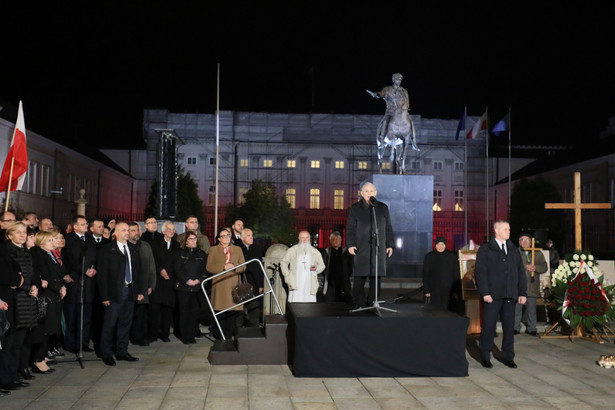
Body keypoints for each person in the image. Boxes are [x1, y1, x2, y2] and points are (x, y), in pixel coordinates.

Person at [475, 220, 527, 369]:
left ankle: (508, 357)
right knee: (489, 327)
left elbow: (520, 272)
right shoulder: (486, 250)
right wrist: (485, 292)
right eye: (505, 229)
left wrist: (522, 292)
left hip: (510, 295)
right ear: (496, 231)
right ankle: (485, 356)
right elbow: (481, 273)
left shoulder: (513, 250)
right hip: (492, 296)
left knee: (509, 328)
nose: (508, 231)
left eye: (509, 229)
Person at [96, 222, 145, 366]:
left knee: (125, 323)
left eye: (128, 230)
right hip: (114, 293)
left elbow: (139, 271)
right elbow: (102, 275)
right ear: (115, 233)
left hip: (130, 291)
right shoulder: (107, 250)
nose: (127, 232)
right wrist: (104, 296)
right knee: (109, 324)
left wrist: (140, 291)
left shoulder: (133, 248)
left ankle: (122, 351)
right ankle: (106, 353)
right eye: (123, 230)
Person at [346, 182, 394, 308]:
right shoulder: (355, 208)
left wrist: (389, 244)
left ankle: (373, 301)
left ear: (375, 193)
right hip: (361, 247)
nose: (369, 193)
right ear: (361, 194)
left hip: (378, 248)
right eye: (366, 191)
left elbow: (388, 227)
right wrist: (350, 244)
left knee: (376, 276)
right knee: (360, 276)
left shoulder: (382, 208)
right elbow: (350, 228)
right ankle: (359, 302)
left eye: (371, 191)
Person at [30, 230, 66, 374]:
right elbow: (46, 275)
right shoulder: (40, 254)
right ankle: (38, 359)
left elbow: (57, 273)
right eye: (50, 240)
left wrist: (62, 286)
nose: (54, 242)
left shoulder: (50, 254)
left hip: (54, 293)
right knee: (44, 328)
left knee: (50, 327)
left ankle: (43, 356)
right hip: (47, 294)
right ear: (42, 241)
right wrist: (58, 288)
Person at [62, 215, 97, 354]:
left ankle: (84, 343)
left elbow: (95, 256)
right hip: (75, 282)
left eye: (86, 223)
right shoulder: (69, 239)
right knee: (72, 316)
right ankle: (70, 343)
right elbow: (69, 260)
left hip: (89, 283)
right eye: (83, 224)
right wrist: (83, 271)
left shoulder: (90, 239)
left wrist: (95, 269)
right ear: (75, 226)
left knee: (86, 316)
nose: (86, 226)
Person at [206, 228, 246, 339]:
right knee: (220, 311)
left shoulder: (237, 249)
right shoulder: (213, 250)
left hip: (233, 284)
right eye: (223, 236)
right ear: (219, 239)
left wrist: (234, 267)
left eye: (228, 235)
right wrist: (223, 267)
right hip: (219, 285)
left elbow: (243, 266)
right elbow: (209, 267)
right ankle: (220, 336)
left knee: (232, 312)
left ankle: (229, 336)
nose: (226, 237)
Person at [174, 231, 207, 344]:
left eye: (195, 239)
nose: (193, 241)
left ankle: (192, 335)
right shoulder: (179, 253)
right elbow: (177, 269)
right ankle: (185, 336)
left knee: (195, 312)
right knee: (184, 312)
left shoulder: (201, 254)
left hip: (197, 288)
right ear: (186, 241)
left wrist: (198, 280)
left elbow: (205, 270)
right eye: (191, 239)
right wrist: (187, 281)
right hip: (183, 287)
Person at [148, 221, 178, 343]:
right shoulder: (155, 244)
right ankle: (153, 334)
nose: (171, 231)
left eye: (173, 229)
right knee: (154, 310)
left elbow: (177, 262)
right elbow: (153, 259)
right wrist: (160, 270)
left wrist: (169, 273)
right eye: (169, 229)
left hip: (170, 282)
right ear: (163, 231)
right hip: (158, 281)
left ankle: (165, 334)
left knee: (167, 310)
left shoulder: (176, 245)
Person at [128, 222, 157, 346]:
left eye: (137, 230)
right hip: (129, 288)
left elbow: (151, 267)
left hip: (143, 286)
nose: (136, 233)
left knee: (141, 315)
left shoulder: (145, 246)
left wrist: (151, 285)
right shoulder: (124, 246)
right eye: (132, 230)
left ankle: (139, 337)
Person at [514, 233, 548, 337]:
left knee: (532, 308)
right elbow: (511, 265)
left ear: (531, 242)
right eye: (522, 240)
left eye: (527, 240)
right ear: (519, 242)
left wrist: (535, 268)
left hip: (532, 284)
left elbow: (544, 267)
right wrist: (525, 267)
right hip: (518, 285)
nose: (524, 242)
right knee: (517, 308)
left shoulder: (537, 253)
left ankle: (532, 328)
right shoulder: (515, 252)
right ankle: (515, 328)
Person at [280, 231, 325, 303]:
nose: (305, 240)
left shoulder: (314, 251)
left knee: (310, 307)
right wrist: (287, 275)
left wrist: (316, 268)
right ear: (299, 238)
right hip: (295, 283)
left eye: (307, 238)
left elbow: (322, 266)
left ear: (309, 239)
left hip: (310, 283)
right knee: (295, 305)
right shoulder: (292, 250)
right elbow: (283, 262)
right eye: (302, 238)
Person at [367, 72, 410, 140]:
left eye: (400, 80)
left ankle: (413, 141)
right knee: (384, 123)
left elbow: (407, 101)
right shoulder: (387, 89)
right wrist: (377, 94)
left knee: (410, 122)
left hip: (401, 112)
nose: (399, 81)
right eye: (397, 79)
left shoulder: (404, 91)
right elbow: (381, 94)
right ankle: (381, 139)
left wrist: (405, 108)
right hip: (391, 111)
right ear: (393, 80)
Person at [422, 237, 461, 311]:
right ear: (435, 245)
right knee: (434, 310)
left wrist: (456, 291)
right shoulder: (429, 257)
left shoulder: (452, 257)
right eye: (438, 244)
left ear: (445, 245)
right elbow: (425, 274)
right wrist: (427, 290)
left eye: (442, 244)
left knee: (448, 309)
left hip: (448, 289)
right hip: (434, 289)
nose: (440, 246)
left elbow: (456, 274)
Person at [240, 228, 264, 327]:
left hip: (254, 281)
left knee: (254, 306)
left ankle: (254, 328)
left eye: (252, 235)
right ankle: (239, 328)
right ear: (242, 237)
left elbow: (260, 268)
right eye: (248, 235)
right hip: (241, 281)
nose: (251, 237)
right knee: (239, 306)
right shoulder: (237, 247)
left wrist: (261, 284)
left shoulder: (256, 248)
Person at [321, 231, 352, 303]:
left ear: (341, 240)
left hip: (344, 282)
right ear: (330, 241)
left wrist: (346, 274)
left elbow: (350, 266)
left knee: (344, 303)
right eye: (333, 239)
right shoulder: (327, 251)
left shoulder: (346, 252)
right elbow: (322, 266)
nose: (335, 241)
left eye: (337, 239)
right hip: (330, 282)